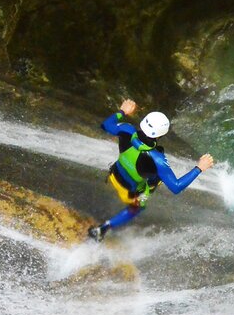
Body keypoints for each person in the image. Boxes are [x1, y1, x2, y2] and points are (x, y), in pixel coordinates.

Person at [88, 99, 214, 241]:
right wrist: (199, 168)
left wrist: (122, 111)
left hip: (114, 174)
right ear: (161, 134)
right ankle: (103, 228)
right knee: (137, 208)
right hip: (131, 192)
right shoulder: (158, 159)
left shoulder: (126, 130)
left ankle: (105, 224)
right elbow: (176, 187)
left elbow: (106, 125)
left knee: (144, 173)